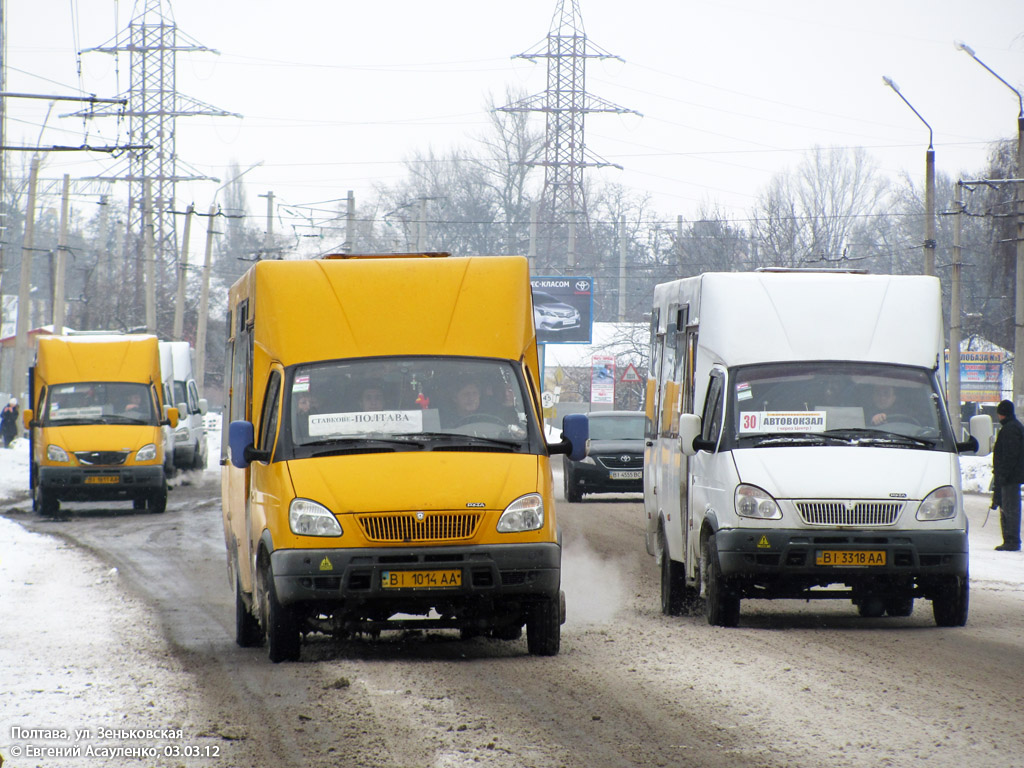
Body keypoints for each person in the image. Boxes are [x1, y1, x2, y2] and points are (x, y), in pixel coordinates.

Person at [991, 399, 1024, 552]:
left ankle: (1011, 540)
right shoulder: (1014, 427)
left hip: (1010, 477)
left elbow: (1010, 455)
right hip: (1011, 475)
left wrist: (1002, 474)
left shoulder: (1010, 429)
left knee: (1009, 508)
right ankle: (1010, 539)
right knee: (1007, 507)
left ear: (1002, 413)